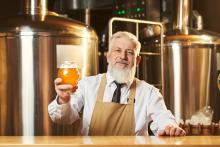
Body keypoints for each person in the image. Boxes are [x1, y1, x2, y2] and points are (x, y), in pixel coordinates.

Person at [48, 31, 186, 136]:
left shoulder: (149, 92)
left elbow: (163, 117)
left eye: (130, 53)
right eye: (118, 50)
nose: (123, 57)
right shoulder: (88, 85)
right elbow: (63, 119)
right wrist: (64, 100)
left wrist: (170, 127)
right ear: (108, 56)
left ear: (137, 60)